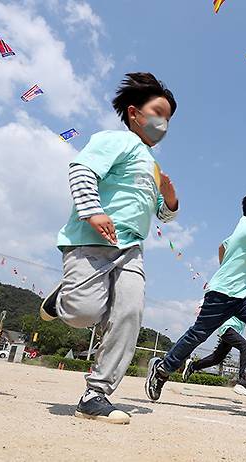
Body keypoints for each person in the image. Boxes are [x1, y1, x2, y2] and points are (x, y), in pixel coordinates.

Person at [39, 72, 180, 425]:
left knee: (129, 315)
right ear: (135, 113)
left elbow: (157, 212)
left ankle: (96, 394)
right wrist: (93, 211)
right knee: (83, 313)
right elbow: (81, 169)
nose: (164, 124)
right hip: (91, 241)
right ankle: (62, 301)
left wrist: (170, 202)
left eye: (169, 120)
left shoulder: (153, 164)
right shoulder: (115, 141)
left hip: (131, 248)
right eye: (159, 113)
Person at [146, 184, 246, 402]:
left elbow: (222, 246)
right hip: (222, 294)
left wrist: (226, 268)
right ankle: (162, 369)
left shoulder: (242, 226)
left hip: (242, 295)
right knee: (198, 334)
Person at [182, 316, 246, 382]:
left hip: (232, 331)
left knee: (216, 358)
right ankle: (243, 380)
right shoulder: (243, 305)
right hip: (228, 328)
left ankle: (193, 366)